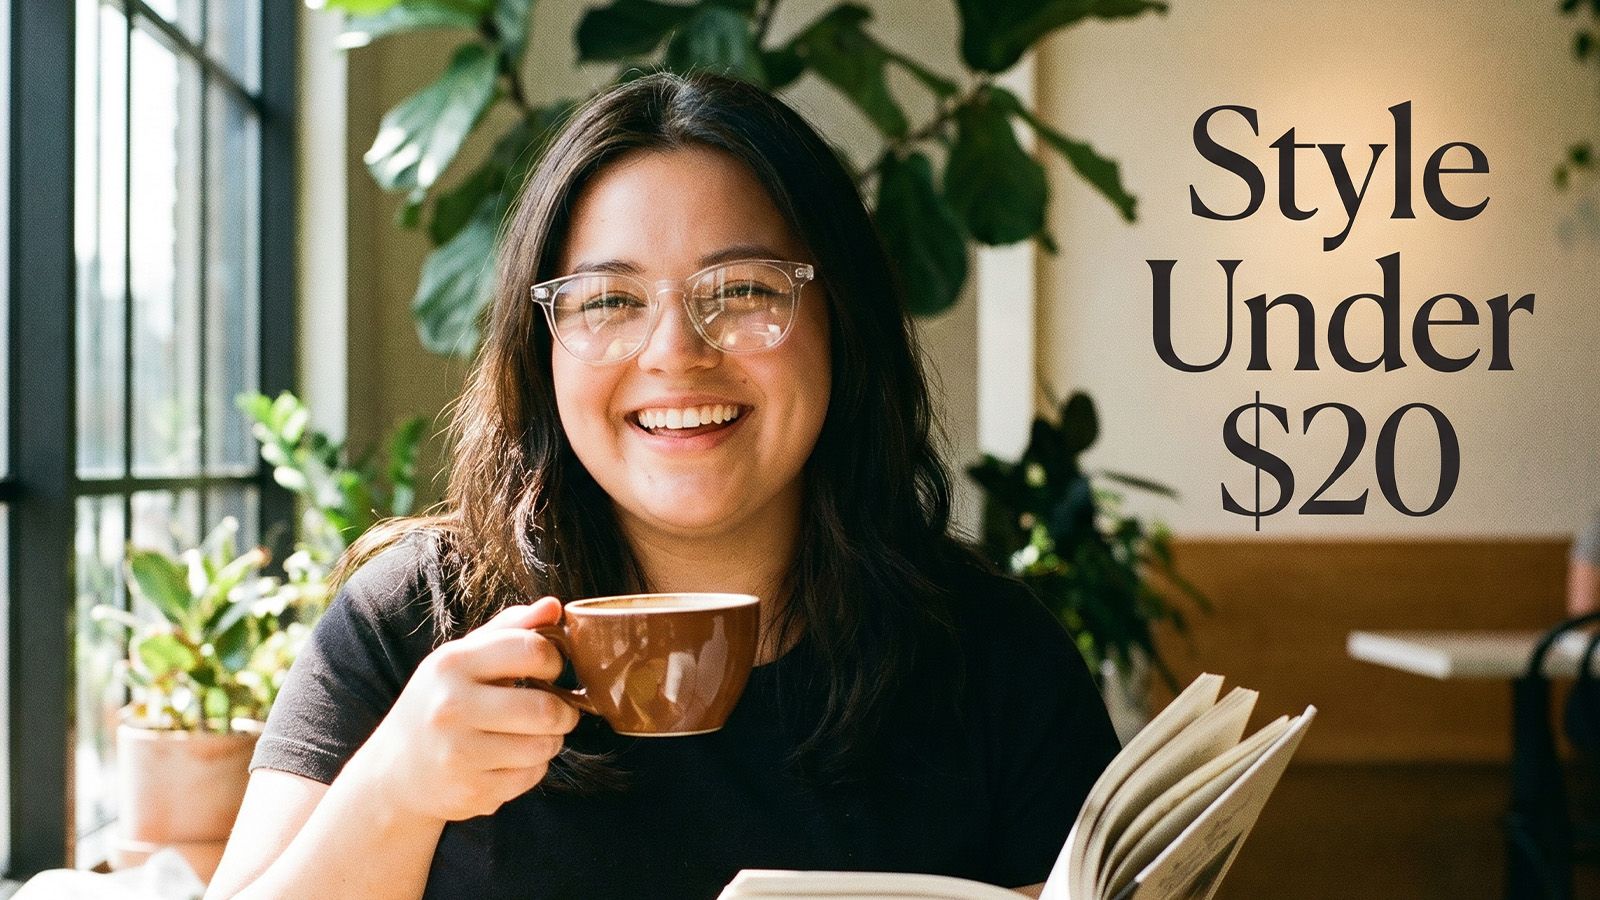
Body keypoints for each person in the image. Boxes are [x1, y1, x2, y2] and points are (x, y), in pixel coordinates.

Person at [205, 71, 1120, 900]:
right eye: (608, 301)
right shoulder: (412, 623)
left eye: (747, 290)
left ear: (842, 321)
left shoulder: (996, 658)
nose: (677, 354)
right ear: (541, 349)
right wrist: (392, 795)